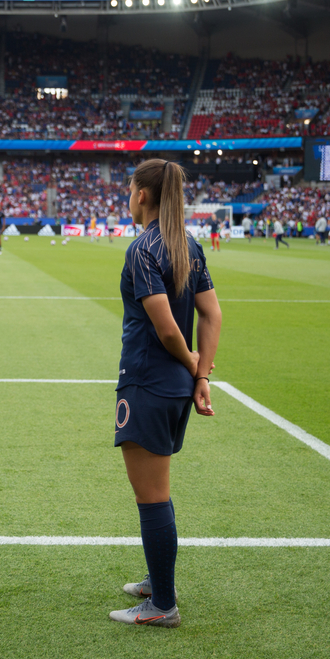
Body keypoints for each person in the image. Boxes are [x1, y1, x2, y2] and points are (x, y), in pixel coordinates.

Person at [110, 159, 220, 629]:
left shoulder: (143, 249)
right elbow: (212, 316)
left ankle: (162, 606)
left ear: (142, 195)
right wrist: (201, 376)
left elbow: (167, 328)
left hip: (148, 382)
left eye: (130, 189)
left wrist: (195, 366)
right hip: (175, 389)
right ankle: (159, 582)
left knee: (151, 496)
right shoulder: (190, 246)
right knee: (159, 491)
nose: (128, 196)